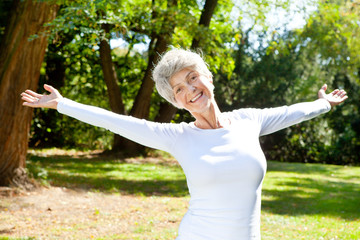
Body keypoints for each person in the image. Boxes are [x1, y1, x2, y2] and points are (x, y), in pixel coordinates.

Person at [21, 49, 348, 240]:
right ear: (176, 101)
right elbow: (118, 121)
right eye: (178, 89)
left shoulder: (249, 120)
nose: (189, 90)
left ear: (208, 78)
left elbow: (292, 113)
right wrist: (63, 104)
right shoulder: (178, 137)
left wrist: (324, 104)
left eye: (193, 78)